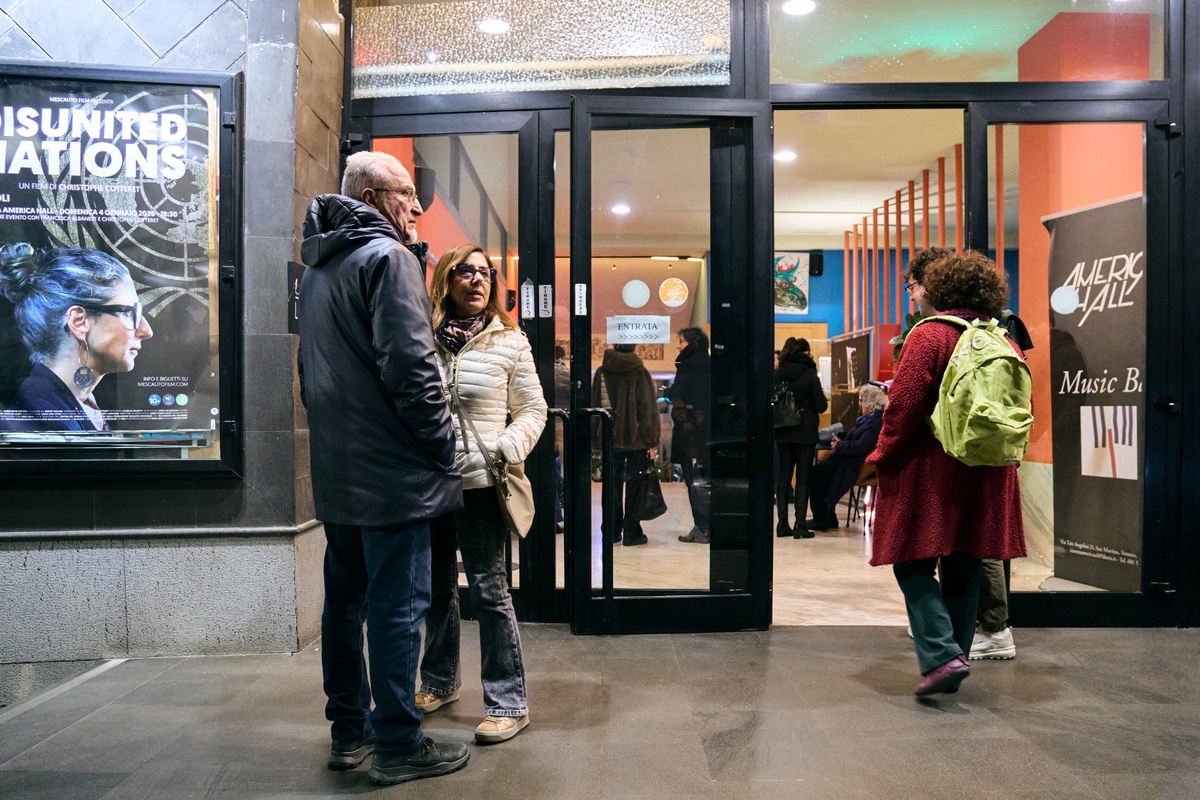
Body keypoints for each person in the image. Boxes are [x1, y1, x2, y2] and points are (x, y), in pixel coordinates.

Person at [298, 151, 469, 785]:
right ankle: (398, 742)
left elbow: (310, 375)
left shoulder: (320, 267)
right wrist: (444, 447)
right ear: (370, 199)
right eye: (405, 194)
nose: (417, 206)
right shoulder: (389, 259)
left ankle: (350, 731)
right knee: (400, 607)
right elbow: (413, 371)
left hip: (340, 470)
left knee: (344, 605)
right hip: (395, 473)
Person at [867, 249, 1026, 697]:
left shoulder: (930, 334)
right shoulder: (1002, 339)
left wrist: (883, 451)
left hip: (933, 469)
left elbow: (904, 405)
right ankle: (953, 659)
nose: (914, 294)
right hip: (988, 469)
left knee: (910, 561)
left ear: (938, 288)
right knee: (965, 562)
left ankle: (942, 654)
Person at [417, 243, 546, 745]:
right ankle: (439, 681)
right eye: (466, 271)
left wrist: (504, 447)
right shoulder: (421, 336)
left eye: (485, 273)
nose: (477, 279)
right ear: (446, 279)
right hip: (428, 482)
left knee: (490, 592)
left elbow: (533, 409)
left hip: (480, 482)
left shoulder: (509, 340)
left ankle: (508, 702)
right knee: (436, 589)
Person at [0, 244, 153, 432]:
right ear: (79, 321)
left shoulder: (73, 402)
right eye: (130, 313)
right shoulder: (45, 422)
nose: (146, 331)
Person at [591, 343, 661, 546]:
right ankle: (632, 532)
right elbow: (647, 409)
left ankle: (611, 532)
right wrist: (651, 441)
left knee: (610, 488)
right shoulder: (640, 371)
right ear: (634, 347)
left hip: (609, 439)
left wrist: (595, 436)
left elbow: (596, 404)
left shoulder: (602, 371)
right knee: (635, 486)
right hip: (636, 441)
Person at [804, 382, 886, 533]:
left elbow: (861, 446)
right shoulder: (867, 419)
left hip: (851, 464)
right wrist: (839, 438)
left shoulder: (876, 422)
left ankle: (820, 519)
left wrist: (840, 445)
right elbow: (853, 436)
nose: (860, 404)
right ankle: (828, 518)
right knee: (820, 474)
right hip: (845, 459)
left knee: (814, 474)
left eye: (861, 400)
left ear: (870, 403)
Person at [773, 337, 828, 537]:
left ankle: (782, 524)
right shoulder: (810, 374)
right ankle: (800, 525)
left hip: (782, 431)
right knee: (803, 478)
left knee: (784, 477)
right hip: (805, 433)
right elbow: (821, 406)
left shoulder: (778, 373)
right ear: (805, 353)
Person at [668, 327, 712, 544]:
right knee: (707, 478)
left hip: (691, 431)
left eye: (682, 342)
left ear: (692, 343)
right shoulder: (712, 364)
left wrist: (668, 393)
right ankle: (710, 525)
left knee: (693, 480)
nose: (678, 346)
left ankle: (702, 527)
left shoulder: (687, 366)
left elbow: (678, 392)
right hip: (710, 431)